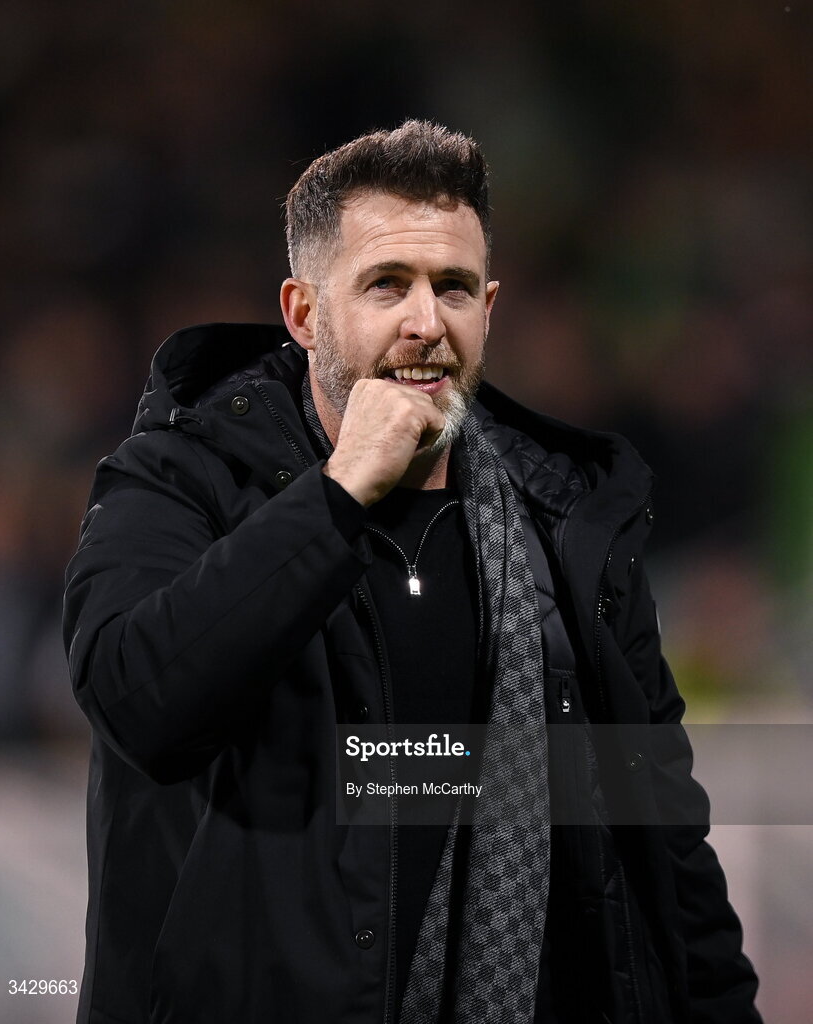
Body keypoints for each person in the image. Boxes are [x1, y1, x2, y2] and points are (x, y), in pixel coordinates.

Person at [64, 120, 761, 1024]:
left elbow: (662, 837)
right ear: (305, 312)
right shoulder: (172, 480)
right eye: (387, 284)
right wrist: (340, 492)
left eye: (454, 289)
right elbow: (138, 707)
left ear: (489, 308)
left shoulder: (568, 521)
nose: (425, 323)